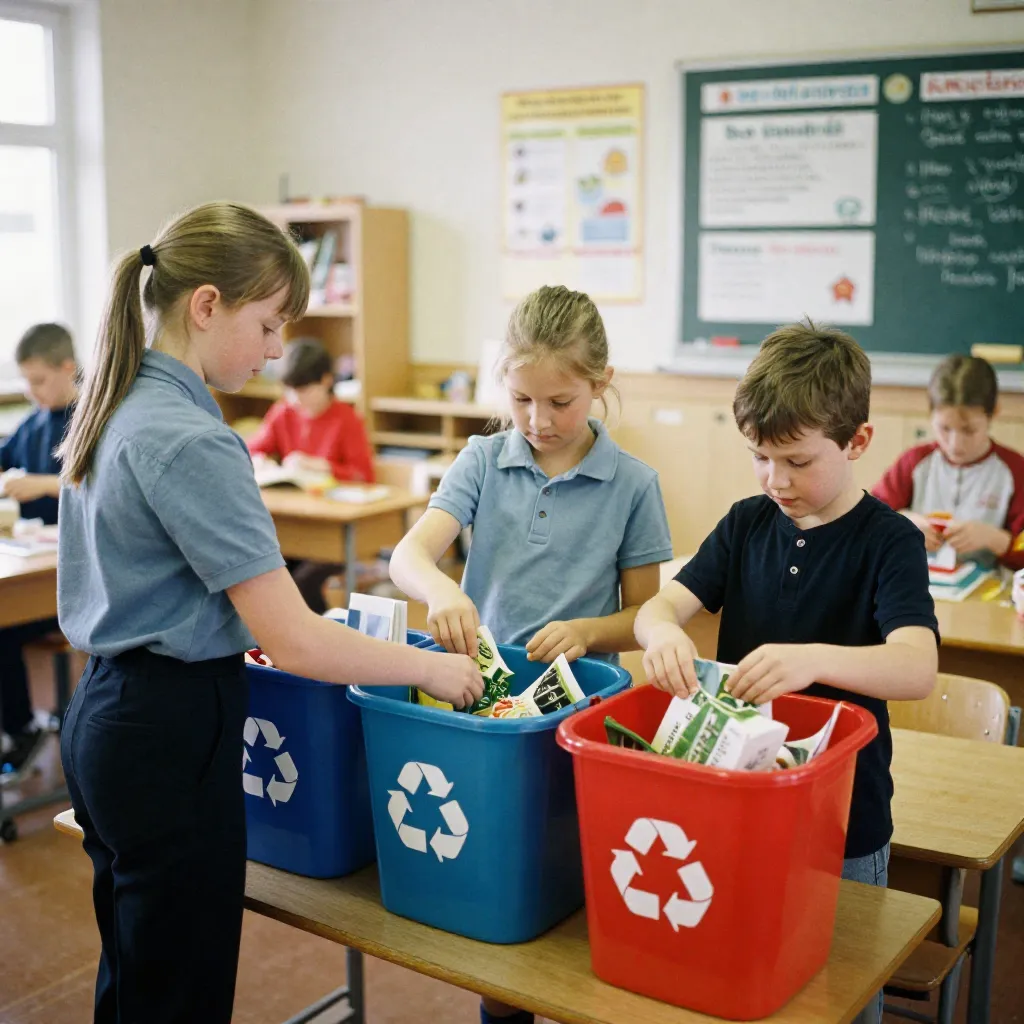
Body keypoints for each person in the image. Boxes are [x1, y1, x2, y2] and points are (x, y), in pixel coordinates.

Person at [55, 201, 481, 1024]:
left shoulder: (115, 402)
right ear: (206, 305)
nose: (279, 348)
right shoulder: (191, 436)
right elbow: (291, 640)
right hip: (169, 727)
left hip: (102, 714)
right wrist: (434, 667)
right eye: (269, 322)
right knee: (179, 991)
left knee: (139, 973)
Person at [634, 320, 938, 1024]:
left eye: (798, 461)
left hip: (843, 818)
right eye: (760, 457)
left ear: (858, 442)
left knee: (842, 990)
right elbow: (660, 608)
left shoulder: (888, 540)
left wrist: (813, 661)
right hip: (741, 800)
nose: (777, 480)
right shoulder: (746, 522)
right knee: (747, 974)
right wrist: (661, 636)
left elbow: (917, 668)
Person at [388, 284, 672, 1024]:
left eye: (561, 402)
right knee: (502, 884)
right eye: (521, 400)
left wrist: (588, 630)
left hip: (580, 706)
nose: (539, 422)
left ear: (600, 387)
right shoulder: (483, 458)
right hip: (488, 707)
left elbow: (650, 613)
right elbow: (409, 557)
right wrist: (442, 593)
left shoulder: (636, 484)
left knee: (574, 877)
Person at [0, 322, 78, 775]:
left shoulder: (91, 417)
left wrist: (41, 484)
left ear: (67, 367)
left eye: (39, 381)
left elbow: (99, 481)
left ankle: (23, 728)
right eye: (25, 382)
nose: (32, 392)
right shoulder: (32, 423)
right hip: (34, 564)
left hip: (69, 579)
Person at [248, 337, 375, 611]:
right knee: (268, 575)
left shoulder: (346, 419)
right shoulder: (284, 411)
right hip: (294, 524)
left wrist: (323, 465)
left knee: (301, 583)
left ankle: (321, 639)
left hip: (334, 532)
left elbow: (364, 476)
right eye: (291, 390)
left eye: (304, 389)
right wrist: (263, 461)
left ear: (327, 381)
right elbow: (252, 448)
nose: (296, 399)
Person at [873, 354, 1024, 570]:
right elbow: (867, 521)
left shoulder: (1015, 471)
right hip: (914, 586)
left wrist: (999, 541)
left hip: (987, 595)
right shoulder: (915, 462)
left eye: (969, 430)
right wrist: (902, 525)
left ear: (994, 413)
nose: (955, 444)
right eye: (944, 428)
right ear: (930, 413)